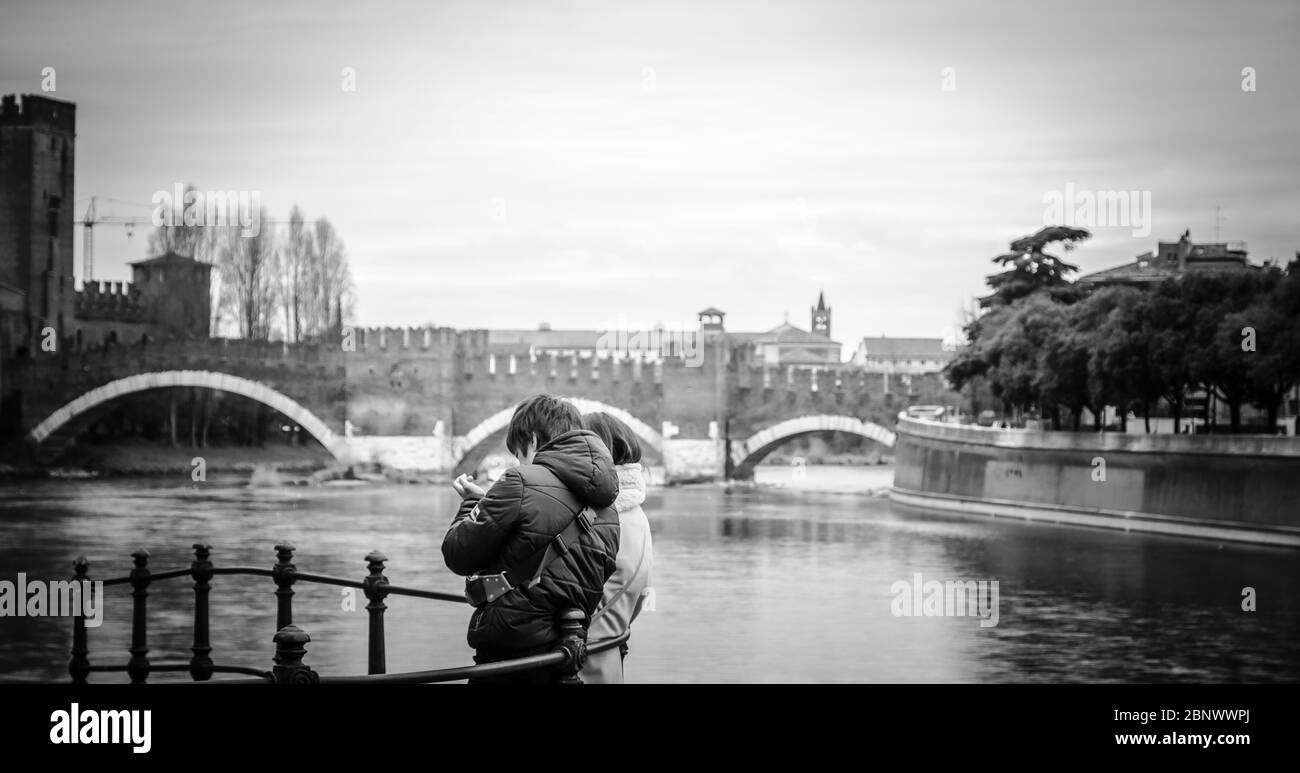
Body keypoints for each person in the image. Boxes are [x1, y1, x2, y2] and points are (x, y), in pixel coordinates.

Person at [442, 394, 620, 684]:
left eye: (518, 451)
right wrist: (490, 506)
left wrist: (470, 506)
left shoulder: (520, 481)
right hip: (566, 652)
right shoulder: (608, 509)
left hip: (509, 654)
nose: (519, 460)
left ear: (534, 440)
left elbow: (457, 554)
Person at [580, 412, 654, 684]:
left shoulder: (593, 518)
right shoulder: (638, 517)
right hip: (610, 660)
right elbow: (643, 597)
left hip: (575, 665)